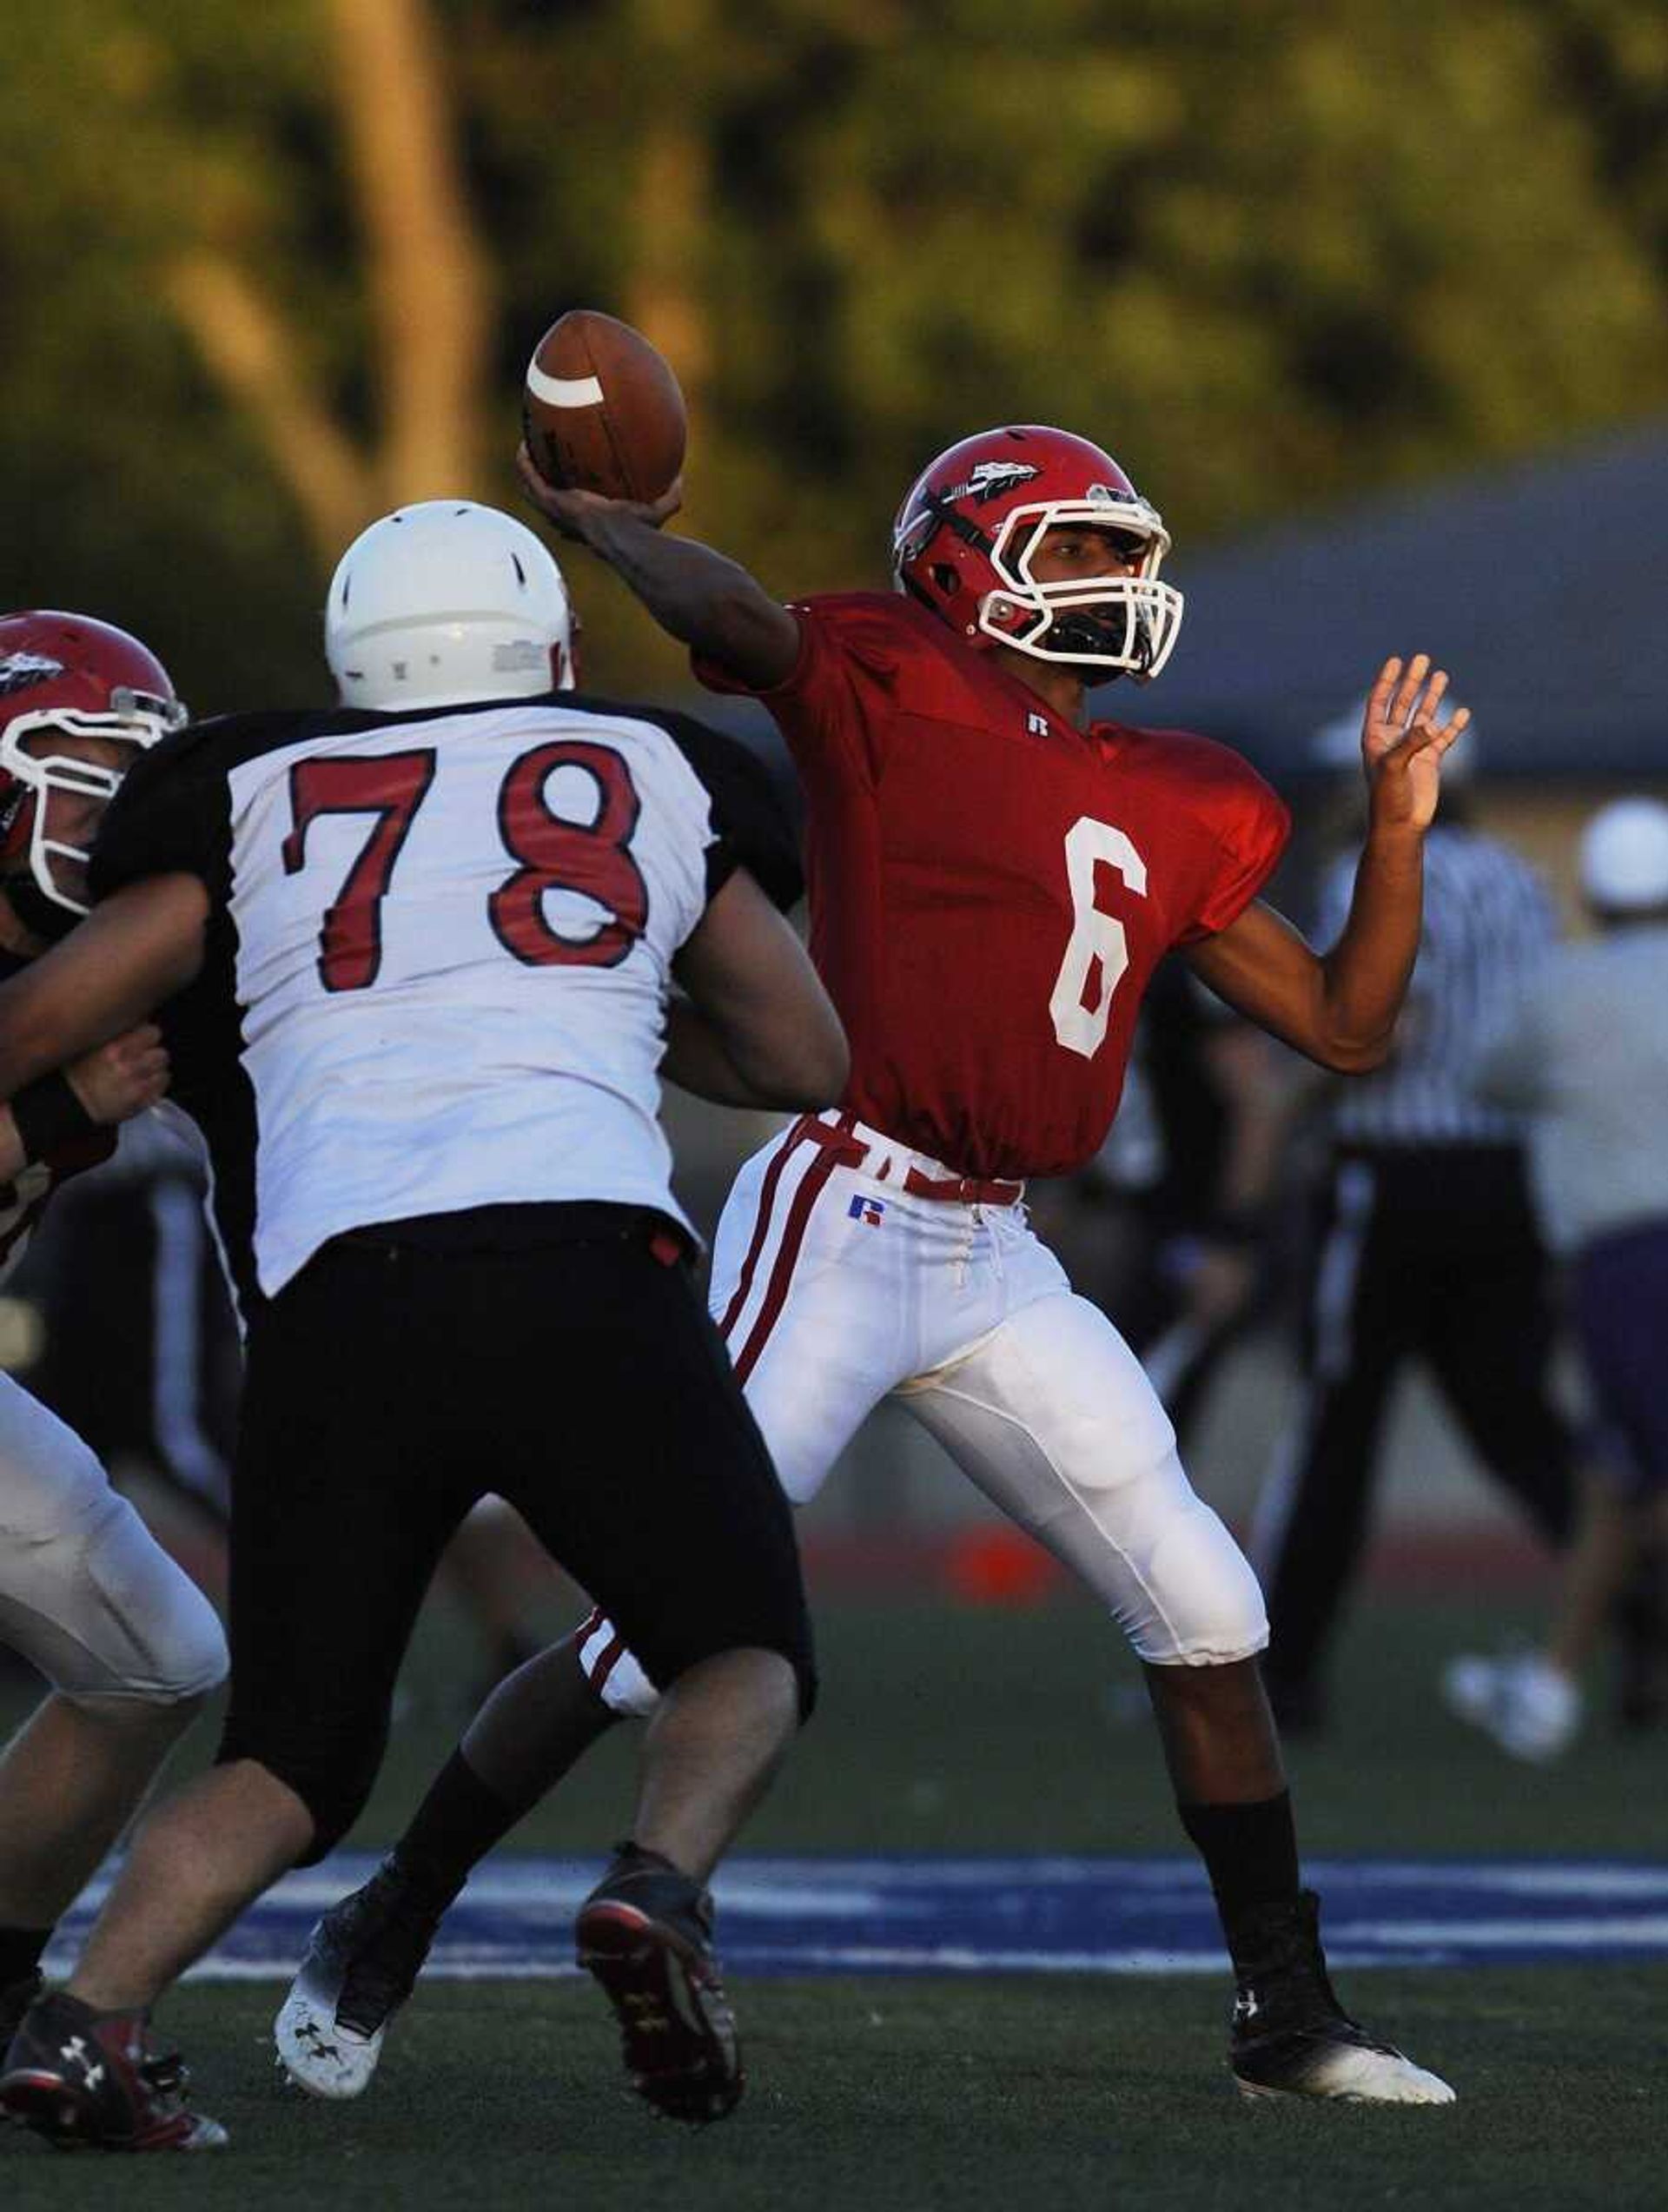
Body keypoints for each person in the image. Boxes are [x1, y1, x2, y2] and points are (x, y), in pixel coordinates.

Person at [275, 427, 1463, 2109]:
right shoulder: (890, 677)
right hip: (841, 1200)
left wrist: (1399, 825)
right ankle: (391, 1917)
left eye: (1128, 555)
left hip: (1000, 1246)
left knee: (1206, 1608)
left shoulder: (1182, 790)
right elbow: (746, 618)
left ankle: (1286, 2013)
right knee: (651, 1632)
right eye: (1078, 553)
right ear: (965, 564)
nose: (1122, 586)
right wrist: (619, 530)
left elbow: (1346, 1028)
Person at [0, 501, 847, 2150]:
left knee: (291, 1757)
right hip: (584, 1258)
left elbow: (36, 1019)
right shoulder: (656, 766)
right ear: (554, 656)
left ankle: (87, 2022)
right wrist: (591, 1006)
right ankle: (656, 1886)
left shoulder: (246, 789)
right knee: (739, 1645)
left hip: (339, 1305)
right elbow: (809, 1057)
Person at [1248, 706, 1577, 1732]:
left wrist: (1288, 1099)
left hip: (1391, 1175)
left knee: (1338, 1422)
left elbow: (1384, 1026)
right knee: (1520, 1421)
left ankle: (1285, 1667)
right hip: (1503, 1174)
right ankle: (1644, 1619)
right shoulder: (1522, 880)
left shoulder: (1375, 869)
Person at [0, 613, 228, 2053]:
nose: (111, 815)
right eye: (80, 772)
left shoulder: (122, 957)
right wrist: (49, 1114)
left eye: (136, 782)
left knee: (157, 1651)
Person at [1443, 798, 1668, 1758]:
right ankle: (1551, 1685)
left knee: (1635, 1473)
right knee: (1614, 1481)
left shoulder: (1564, 991)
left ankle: (1553, 1687)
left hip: (1624, 1256)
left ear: (1594, 892)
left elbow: (1490, 1079)